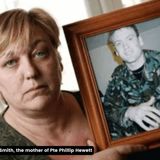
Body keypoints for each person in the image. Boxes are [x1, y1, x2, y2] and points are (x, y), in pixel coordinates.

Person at [0, 8, 146, 160]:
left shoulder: (98, 101)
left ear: (58, 60)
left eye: (40, 53)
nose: (31, 72)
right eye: (10, 62)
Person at [104, 25, 160, 140]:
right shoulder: (117, 77)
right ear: (116, 51)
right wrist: (129, 112)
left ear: (140, 40)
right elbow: (108, 109)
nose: (126, 47)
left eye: (129, 39)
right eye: (119, 43)